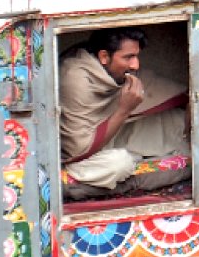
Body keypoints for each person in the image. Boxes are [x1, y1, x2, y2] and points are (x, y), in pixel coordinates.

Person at [60, 27, 191, 199]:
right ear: (104, 57)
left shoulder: (116, 70)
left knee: (179, 123)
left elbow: (165, 91)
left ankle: (135, 161)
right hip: (79, 156)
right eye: (128, 57)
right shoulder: (76, 79)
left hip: (112, 133)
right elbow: (78, 149)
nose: (135, 65)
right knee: (119, 164)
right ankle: (126, 182)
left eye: (136, 56)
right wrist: (124, 110)